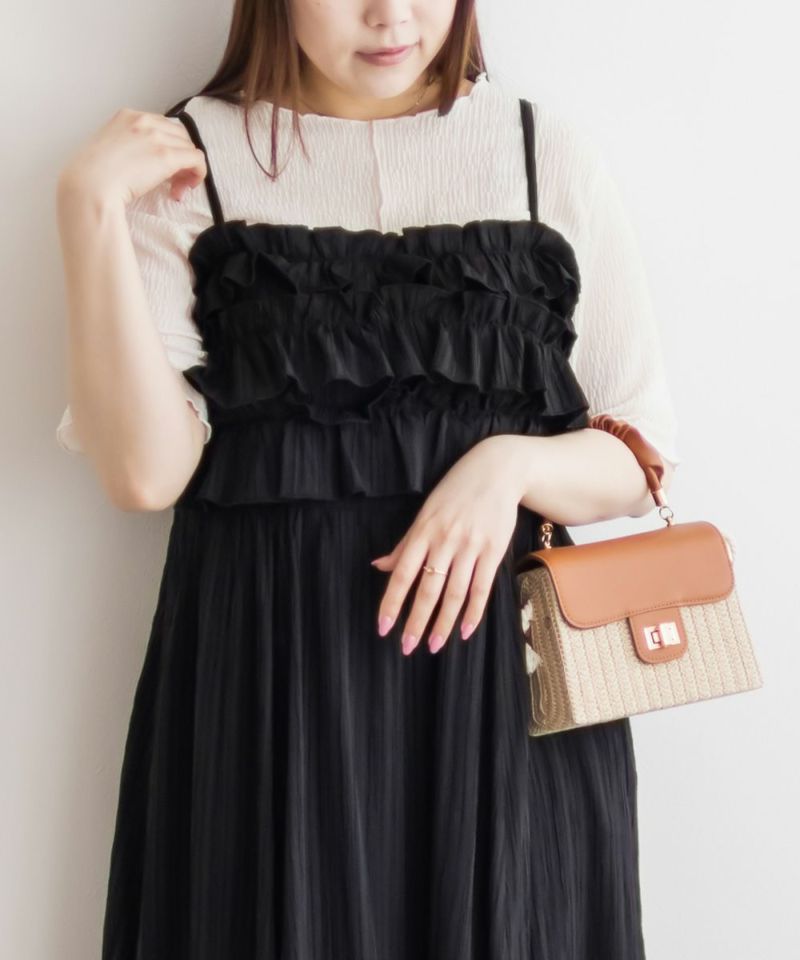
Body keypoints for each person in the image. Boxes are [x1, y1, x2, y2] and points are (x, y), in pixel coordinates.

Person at [55, 1, 681, 957]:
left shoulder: (537, 153)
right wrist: (90, 210)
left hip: (501, 705)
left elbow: (640, 454)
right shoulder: (192, 162)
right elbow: (145, 473)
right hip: (273, 694)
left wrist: (509, 465)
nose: (391, 15)